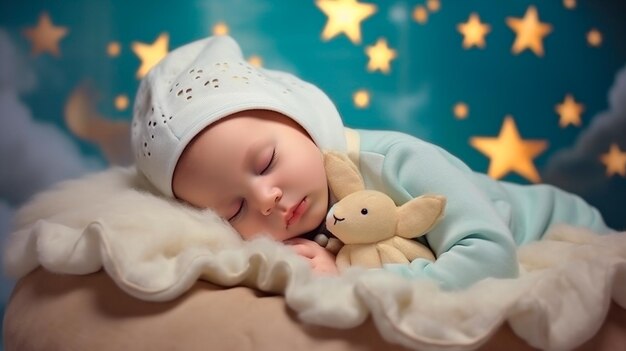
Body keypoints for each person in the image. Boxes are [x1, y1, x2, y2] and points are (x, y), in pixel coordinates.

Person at [131, 35, 614, 290]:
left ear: (299, 117)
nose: (265, 199)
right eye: (232, 210)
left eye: (266, 162)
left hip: (560, 226)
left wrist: (352, 277)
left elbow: (491, 257)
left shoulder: (396, 161)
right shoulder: (294, 228)